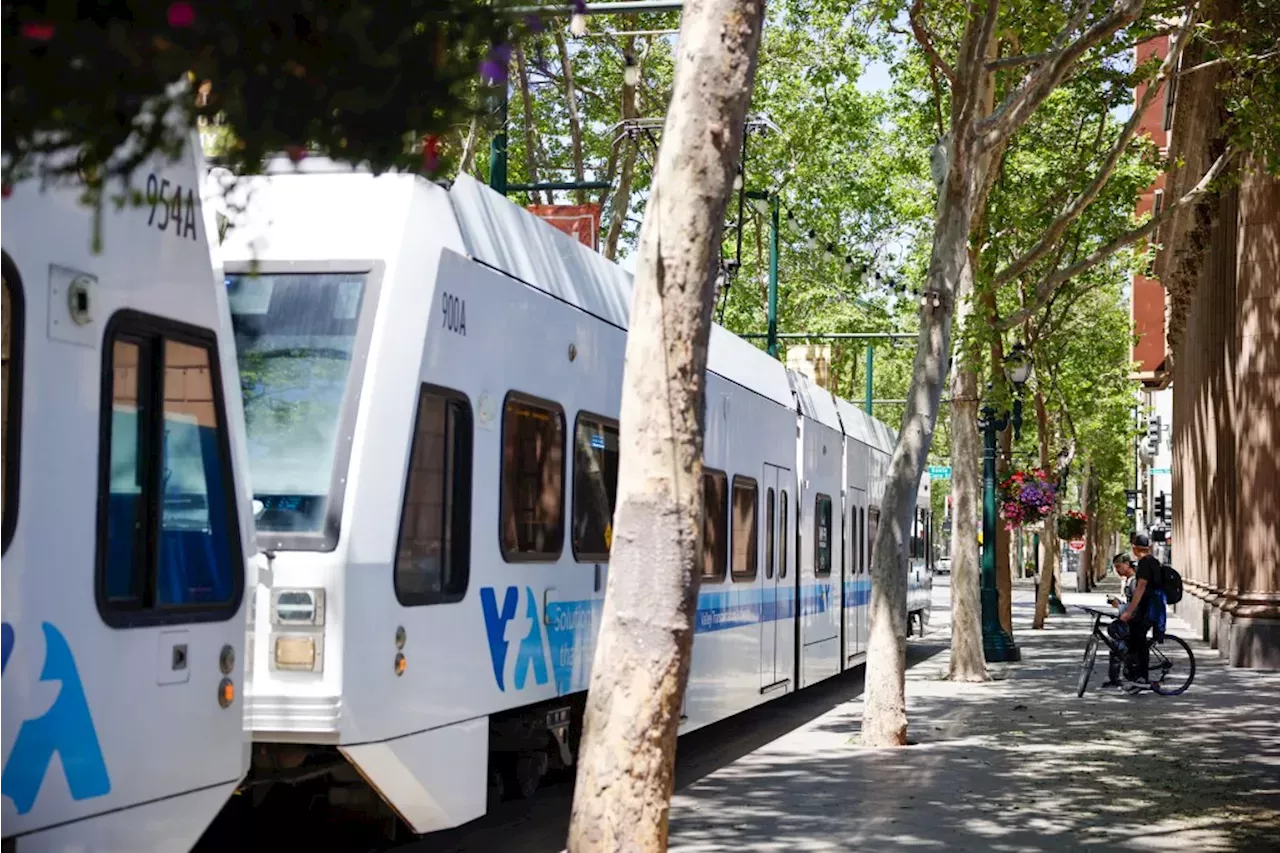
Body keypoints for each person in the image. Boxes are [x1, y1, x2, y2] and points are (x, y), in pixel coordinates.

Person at [1119, 533, 1163, 685]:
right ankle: (1137, 674)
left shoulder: (1144, 563)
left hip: (1146, 608)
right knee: (1137, 638)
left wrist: (1129, 611)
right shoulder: (1154, 561)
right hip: (1154, 607)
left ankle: (1142, 676)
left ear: (1135, 548)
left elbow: (1141, 587)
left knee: (1138, 638)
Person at [1101, 554, 1136, 688]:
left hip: (1136, 620)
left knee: (1118, 646)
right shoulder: (1129, 581)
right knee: (1116, 645)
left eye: (1119, 567)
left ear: (1127, 564)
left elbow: (1136, 605)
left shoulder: (1134, 582)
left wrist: (1121, 607)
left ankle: (1120, 677)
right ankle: (1114, 678)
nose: (1117, 570)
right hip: (1130, 617)